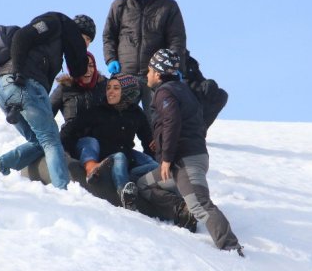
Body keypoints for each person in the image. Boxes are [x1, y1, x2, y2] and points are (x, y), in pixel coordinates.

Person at [137, 49, 243, 256]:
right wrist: (158, 143)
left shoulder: (164, 92)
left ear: (158, 73)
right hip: (187, 158)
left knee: (200, 205)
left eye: (150, 70)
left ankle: (230, 246)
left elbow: (172, 122)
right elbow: (186, 123)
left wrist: (166, 157)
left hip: (185, 161)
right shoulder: (182, 90)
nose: (147, 74)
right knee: (143, 184)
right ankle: (180, 208)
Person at [0, 11, 88, 190]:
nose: (85, 45)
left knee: (39, 141)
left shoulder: (52, 44)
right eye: (84, 40)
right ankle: (63, 191)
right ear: (76, 32)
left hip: (2, 87)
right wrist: (19, 72)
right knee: (51, 140)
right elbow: (22, 36)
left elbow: (77, 68)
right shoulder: (54, 22)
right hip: (22, 83)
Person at [102, 0, 187, 124]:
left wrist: (173, 67)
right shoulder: (120, 5)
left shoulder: (168, 7)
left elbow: (177, 40)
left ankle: (155, 151)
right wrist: (111, 58)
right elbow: (108, 35)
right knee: (118, 121)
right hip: (125, 74)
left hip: (154, 76)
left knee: (155, 122)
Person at [60, 73, 158, 210]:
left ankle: (133, 179)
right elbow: (71, 130)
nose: (110, 91)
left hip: (128, 158)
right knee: (119, 156)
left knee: (155, 165)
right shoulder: (98, 110)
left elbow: (148, 141)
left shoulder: (136, 113)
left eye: (116, 88)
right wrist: (62, 150)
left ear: (127, 92)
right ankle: (124, 193)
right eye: (108, 88)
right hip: (104, 159)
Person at [50, 15, 107, 127]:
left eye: (89, 39)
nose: (85, 43)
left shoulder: (104, 85)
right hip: (71, 137)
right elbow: (47, 114)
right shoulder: (65, 87)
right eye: (83, 37)